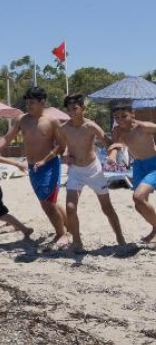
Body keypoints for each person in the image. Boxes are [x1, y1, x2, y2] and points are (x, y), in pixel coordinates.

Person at [0, 86, 68, 246]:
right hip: (32, 167)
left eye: (32, 103)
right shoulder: (22, 120)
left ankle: (61, 234)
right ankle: (68, 226)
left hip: (49, 165)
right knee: (47, 201)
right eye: (27, 103)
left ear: (42, 102)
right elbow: (6, 139)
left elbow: (62, 146)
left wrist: (45, 159)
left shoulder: (52, 121)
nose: (28, 106)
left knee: (48, 202)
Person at [59, 94, 125, 252]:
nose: (71, 112)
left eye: (75, 108)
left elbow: (110, 143)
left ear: (83, 108)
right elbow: (61, 147)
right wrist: (65, 155)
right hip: (75, 171)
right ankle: (77, 242)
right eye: (69, 109)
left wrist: (112, 155)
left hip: (93, 170)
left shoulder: (91, 126)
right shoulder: (64, 128)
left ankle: (120, 238)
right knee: (70, 207)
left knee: (107, 208)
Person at [108, 100, 156, 243]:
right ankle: (155, 229)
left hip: (154, 164)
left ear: (133, 114)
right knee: (139, 206)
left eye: (124, 116)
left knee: (138, 197)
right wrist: (112, 156)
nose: (120, 120)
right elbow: (115, 146)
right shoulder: (117, 131)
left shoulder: (143, 127)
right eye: (116, 117)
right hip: (138, 166)